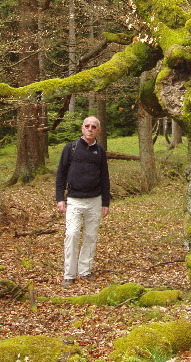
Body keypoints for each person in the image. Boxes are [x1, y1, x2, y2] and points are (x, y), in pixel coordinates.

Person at [56, 116, 110, 288]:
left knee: (90, 236)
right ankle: (69, 274)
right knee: (71, 234)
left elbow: (104, 177)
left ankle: (85, 270)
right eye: (87, 126)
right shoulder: (70, 148)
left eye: (94, 126)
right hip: (74, 200)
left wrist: (105, 202)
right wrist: (60, 198)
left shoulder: (100, 151)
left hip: (94, 200)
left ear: (98, 131)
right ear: (82, 128)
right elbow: (60, 174)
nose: (90, 129)